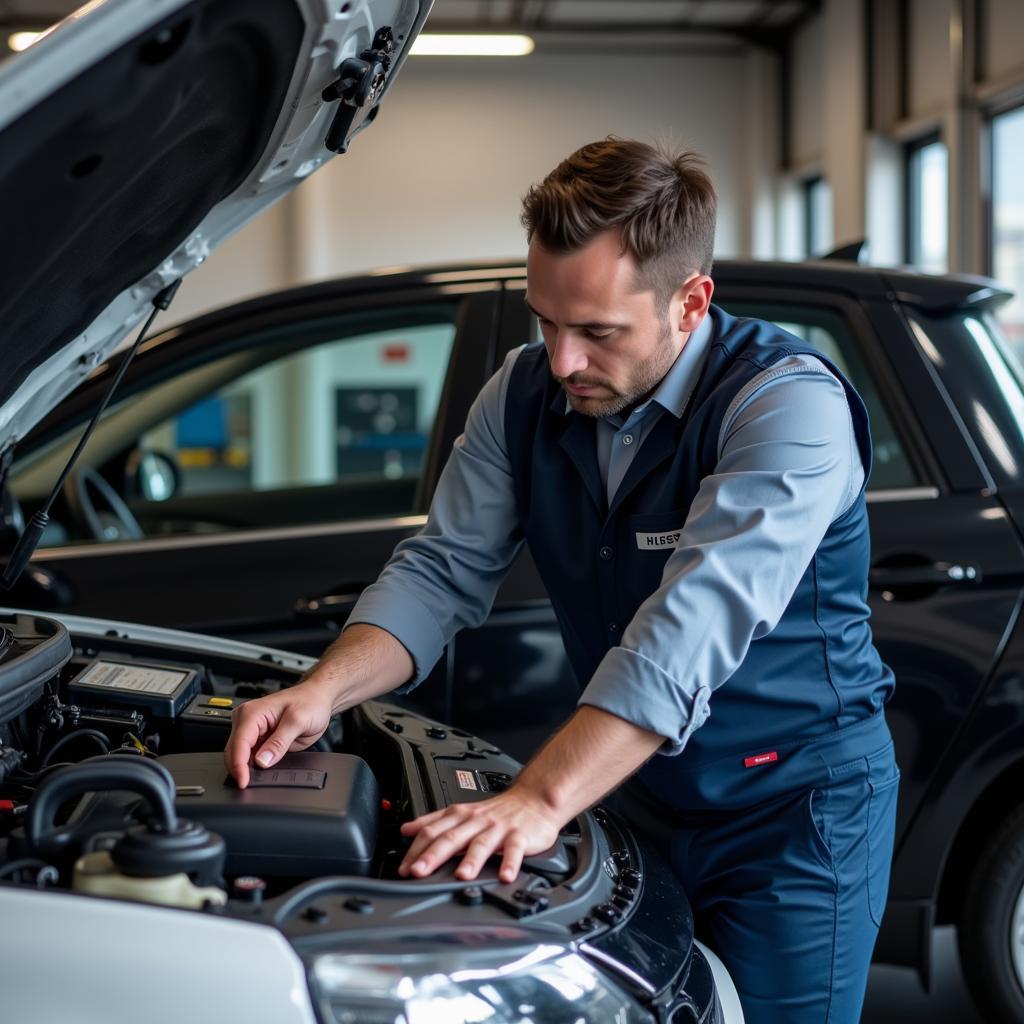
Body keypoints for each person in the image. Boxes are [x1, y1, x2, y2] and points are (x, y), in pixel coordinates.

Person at [224, 138, 899, 1024]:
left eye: (597, 332)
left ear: (691, 302)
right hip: (643, 792)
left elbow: (688, 628)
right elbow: (442, 570)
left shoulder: (785, 407)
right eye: (546, 321)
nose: (564, 360)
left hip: (795, 814)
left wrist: (540, 799)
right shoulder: (523, 392)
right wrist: (324, 689)